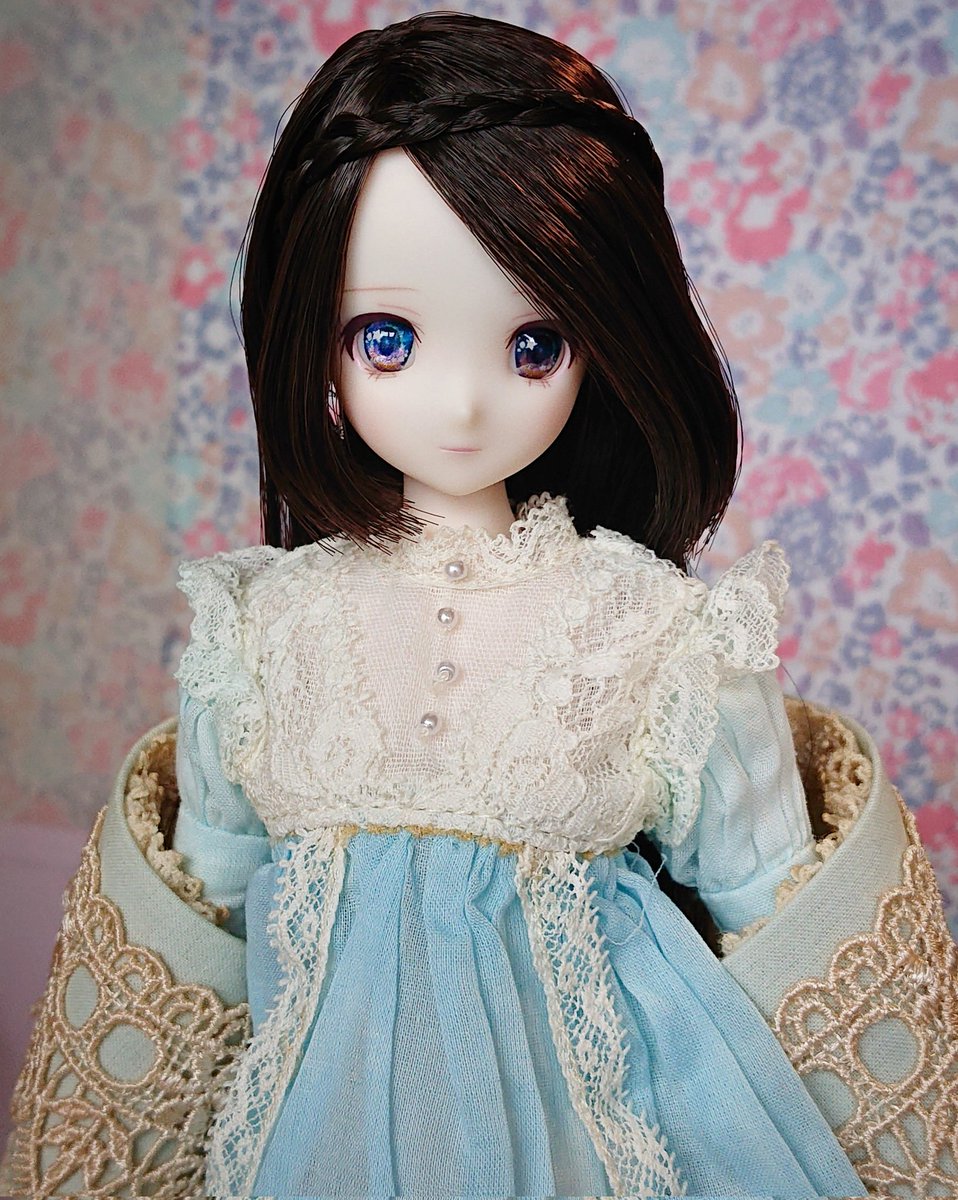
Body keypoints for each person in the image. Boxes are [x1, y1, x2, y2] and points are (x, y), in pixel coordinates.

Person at [4, 13, 955, 1199]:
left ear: (601, 345)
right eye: (388, 339)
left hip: (591, 1142)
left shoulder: (649, 627)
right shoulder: (269, 628)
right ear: (314, 338)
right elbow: (199, 916)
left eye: (533, 344)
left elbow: (766, 896)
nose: (460, 404)